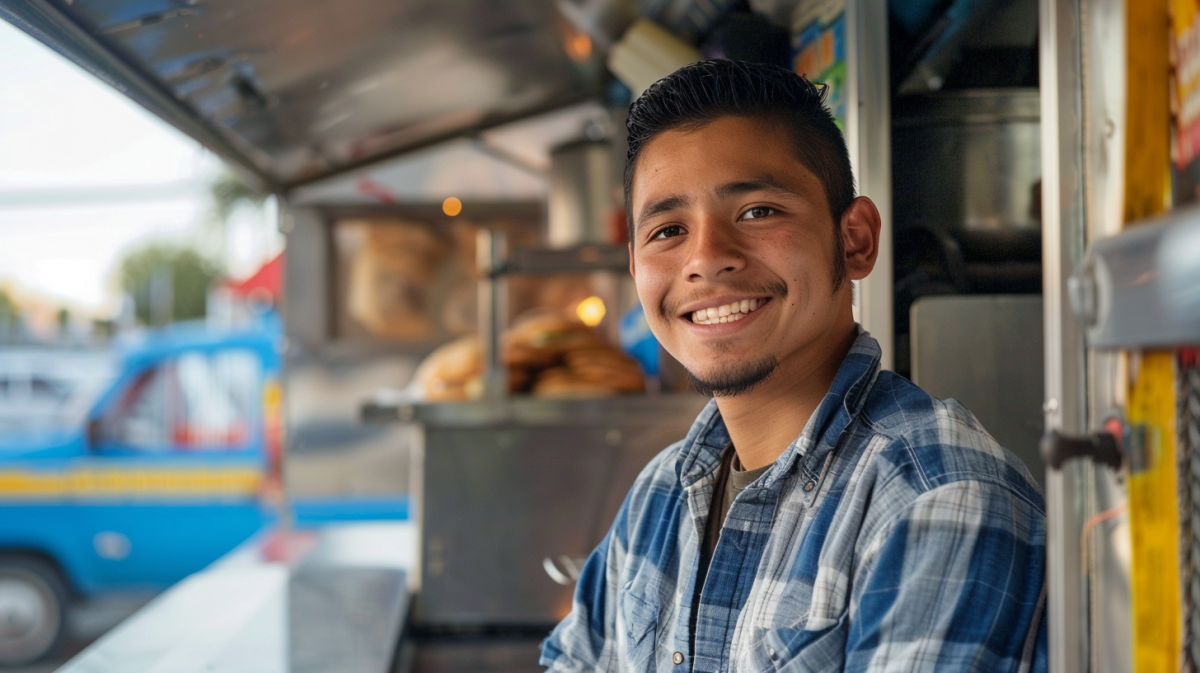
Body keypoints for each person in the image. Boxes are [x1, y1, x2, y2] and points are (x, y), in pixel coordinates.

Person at [539, 60, 1046, 672]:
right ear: (635, 265)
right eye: (668, 229)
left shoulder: (939, 497)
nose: (706, 260)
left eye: (758, 212)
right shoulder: (659, 497)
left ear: (855, 239)